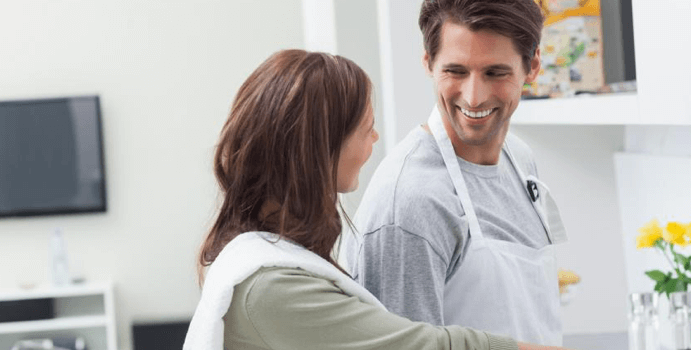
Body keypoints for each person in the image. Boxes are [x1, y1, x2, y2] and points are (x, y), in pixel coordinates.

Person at [182, 49, 569, 350]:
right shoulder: (269, 289)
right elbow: (421, 345)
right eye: (366, 128)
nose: (375, 139)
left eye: (495, 71)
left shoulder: (273, 261)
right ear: (321, 149)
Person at [340, 0, 569, 346]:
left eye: (496, 72)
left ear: (532, 65)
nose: (474, 97)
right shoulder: (411, 201)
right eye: (456, 71)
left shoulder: (520, 160)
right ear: (428, 63)